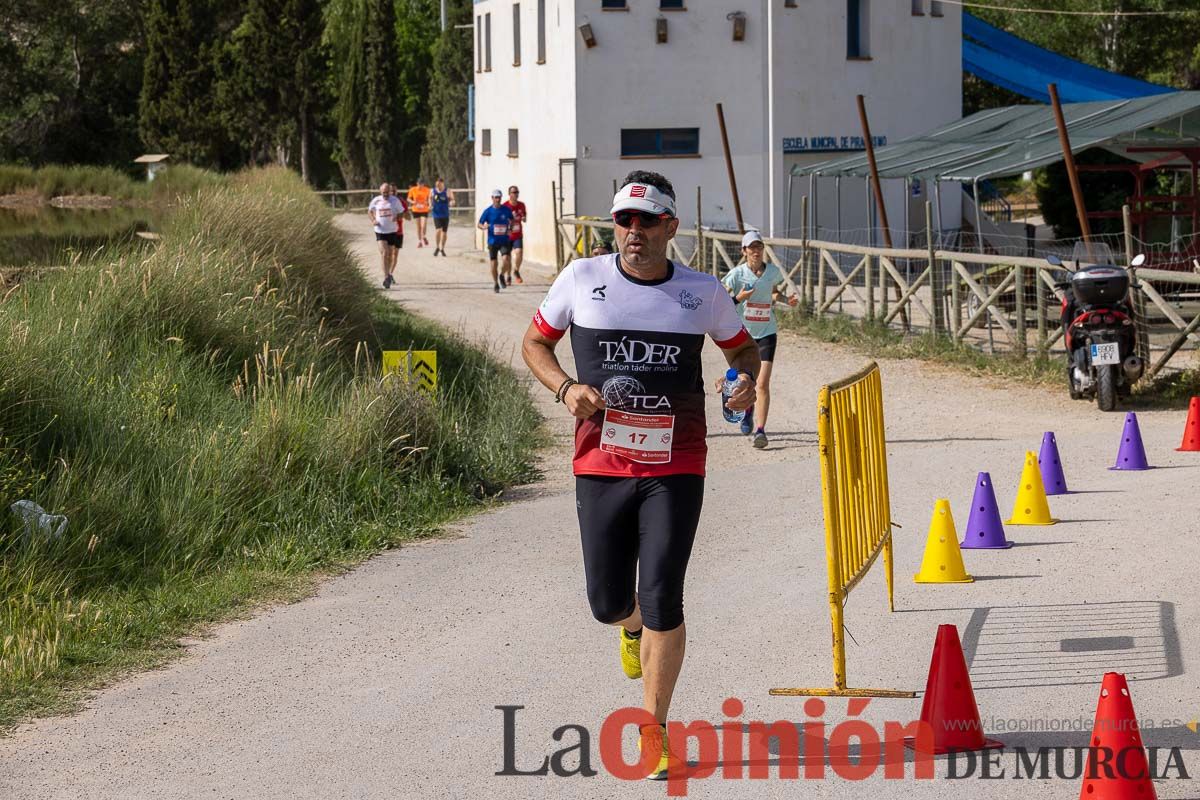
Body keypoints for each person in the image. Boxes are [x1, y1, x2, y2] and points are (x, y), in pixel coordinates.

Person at [521, 171, 759, 780]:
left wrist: (742, 381)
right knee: (607, 603)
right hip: (600, 463)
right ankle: (628, 627)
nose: (632, 231)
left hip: (676, 464)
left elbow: (741, 349)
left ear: (669, 228)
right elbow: (534, 345)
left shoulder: (701, 291)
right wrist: (565, 388)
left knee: (663, 596)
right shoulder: (582, 279)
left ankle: (654, 730)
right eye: (623, 220)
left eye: (646, 220)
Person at [721, 229, 798, 449]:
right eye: (751, 247)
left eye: (759, 247)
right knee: (745, 381)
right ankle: (747, 411)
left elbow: (773, 292)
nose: (756, 251)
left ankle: (761, 431)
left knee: (762, 383)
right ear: (744, 251)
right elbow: (722, 301)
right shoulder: (736, 275)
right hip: (743, 336)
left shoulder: (772, 271)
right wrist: (738, 298)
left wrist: (785, 300)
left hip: (766, 332)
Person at [477, 189, 514, 293]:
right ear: (492, 198)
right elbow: (479, 224)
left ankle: (502, 275)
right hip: (492, 241)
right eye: (495, 197)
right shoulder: (488, 211)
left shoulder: (506, 210)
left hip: (504, 240)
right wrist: (484, 227)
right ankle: (495, 283)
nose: (497, 199)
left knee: (506, 259)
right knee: (494, 264)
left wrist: (510, 229)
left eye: (499, 197)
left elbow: (512, 220)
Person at [367, 182, 403, 288]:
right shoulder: (376, 200)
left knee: (390, 255)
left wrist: (396, 217)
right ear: (380, 192)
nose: (385, 194)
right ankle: (386, 277)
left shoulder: (395, 201)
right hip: (380, 230)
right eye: (383, 193)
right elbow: (369, 211)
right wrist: (373, 220)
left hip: (392, 231)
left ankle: (389, 274)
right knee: (384, 253)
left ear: (389, 191)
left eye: (387, 192)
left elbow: (402, 212)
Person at [504, 185, 527, 284]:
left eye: (517, 192)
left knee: (519, 252)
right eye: (513, 192)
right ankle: (508, 276)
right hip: (507, 236)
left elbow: (524, 218)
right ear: (509, 194)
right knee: (507, 258)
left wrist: (523, 218)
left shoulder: (521, 205)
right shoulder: (505, 206)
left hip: (517, 235)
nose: (516, 194)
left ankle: (516, 270)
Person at [430, 178, 453, 256]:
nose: (438, 186)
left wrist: (452, 203)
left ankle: (442, 248)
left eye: (439, 185)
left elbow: (452, 200)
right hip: (436, 214)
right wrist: (430, 204)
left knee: (444, 232)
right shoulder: (432, 191)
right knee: (438, 230)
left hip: (445, 214)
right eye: (437, 185)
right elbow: (429, 198)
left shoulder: (448, 191)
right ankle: (437, 247)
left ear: (442, 184)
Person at [407, 178, 432, 248]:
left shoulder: (427, 189)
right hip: (416, 210)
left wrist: (430, 205)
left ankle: (423, 236)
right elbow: (408, 199)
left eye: (422, 184)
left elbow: (429, 199)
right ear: (417, 183)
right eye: (419, 184)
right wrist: (413, 202)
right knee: (418, 227)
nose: (421, 185)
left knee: (423, 225)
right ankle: (420, 241)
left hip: (424, 209)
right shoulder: (413, 189)